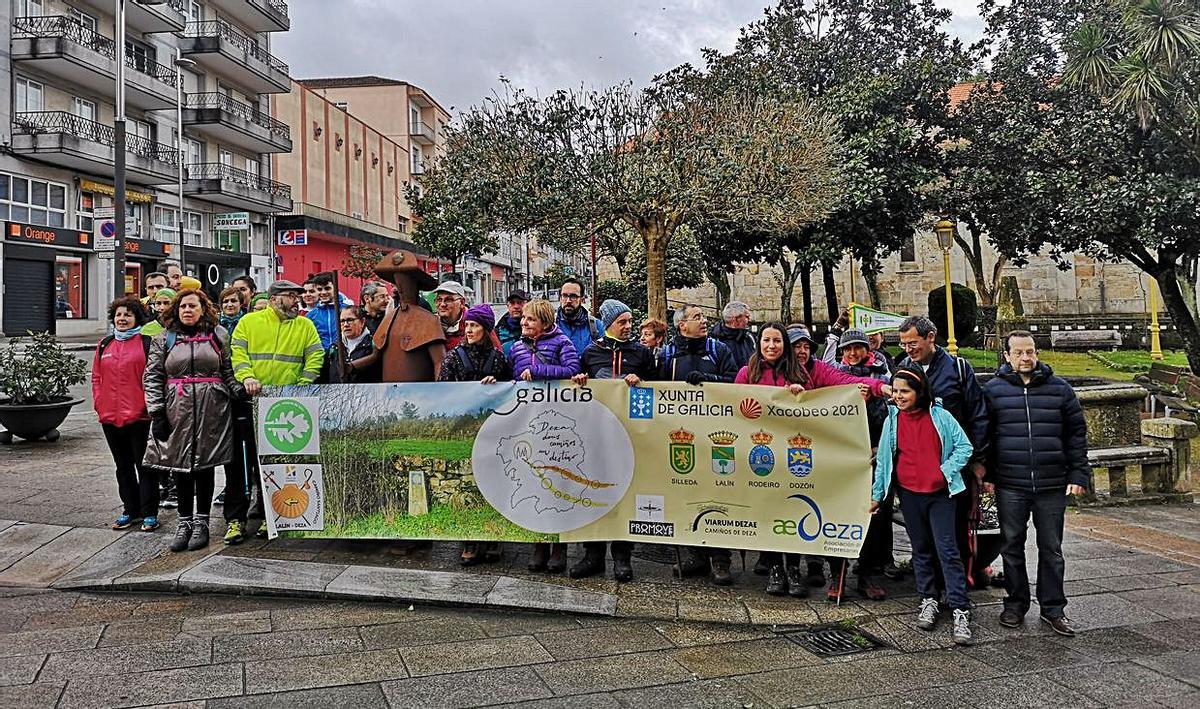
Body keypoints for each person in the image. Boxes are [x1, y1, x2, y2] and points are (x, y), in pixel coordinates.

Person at [752, 324, 892, 599]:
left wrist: (879, 387)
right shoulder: (753, 372)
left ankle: (804, 568)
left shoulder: (810, 372)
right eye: (796, 346)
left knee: (807, 507)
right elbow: (735, 403)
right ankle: (776, 568)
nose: (802, 351)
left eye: (807, 346)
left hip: (806, 454)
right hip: (765, 454)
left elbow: (846, 383)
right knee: (770, 509)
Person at [984, 330, 1089, 637]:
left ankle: (1054, 609)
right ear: (1007, 356)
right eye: (1019, 352)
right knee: (1012, 546)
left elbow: (1076, 435)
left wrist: (1078, 475)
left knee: (1052, 548)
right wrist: (989, 474)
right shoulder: (993, 390)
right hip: (1010, 483)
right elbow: (985, 436)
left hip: (1051, 483)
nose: (1026, 357)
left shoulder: (1060, 389)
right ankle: (1015, 604)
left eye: (1030, 351)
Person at [872, 366, 974, 645]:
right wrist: (878, 494)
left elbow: (964, 447)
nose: (899, 396)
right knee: (921, 549)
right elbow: (883, 459)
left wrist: (945, 471)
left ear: (919, 392)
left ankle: (959, 607)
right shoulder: (892, 421)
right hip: (909, 494)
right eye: (895, 391)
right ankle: (928, 598)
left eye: (905, 391)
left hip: (940, 495)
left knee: (948, 550)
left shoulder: (940, 416)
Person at [143, 289, 243, 553]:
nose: (188, 310)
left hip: (213, 408)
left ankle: (202, 522)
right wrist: (156, 412)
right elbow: (152, 376)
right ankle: (184, 521)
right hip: (177, 408)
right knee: (180, 466)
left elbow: (228, 371)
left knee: (205, 466)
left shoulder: (218, 335)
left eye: (193, 306)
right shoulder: (163, 339)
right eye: (183, 306)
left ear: (203, 309)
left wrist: (240, 391)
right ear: (176, 309)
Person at [896, 316, 990, 588]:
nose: (908, 349)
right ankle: (930, 588)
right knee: (922, 535)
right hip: (916, 466)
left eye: (912, 343)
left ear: (931, 337)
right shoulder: (903, 367)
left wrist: (978, 460)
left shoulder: (959, 369)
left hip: (952, 465)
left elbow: (977, 414)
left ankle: (957, 586)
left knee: (955, 531)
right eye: (903, 344)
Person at [227, 280, 324, 543]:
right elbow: (238, 353)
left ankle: (272, 517)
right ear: (273, 300)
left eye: (298, 296)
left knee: (277, 465)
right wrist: (246, 377)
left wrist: (302, 386)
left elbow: (315, 356)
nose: (297, 301)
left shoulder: (305, 325)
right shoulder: (249, 323)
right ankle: (235, 520)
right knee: (239, 465)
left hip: (284, 407)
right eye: (291, 296)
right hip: (250, 402)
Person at [569, 299, 657, 582]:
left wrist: (641, 380)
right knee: (592, 493)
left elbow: (657, 389)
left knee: (624, 495)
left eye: (630, 322)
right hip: (596, 436)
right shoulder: (591, 352)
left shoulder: (641, 353)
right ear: (608, 324)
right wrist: (579, 379)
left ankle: (622, 557)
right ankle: (592, 556)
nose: (629, 327)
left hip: (629, 436)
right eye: (623, 322)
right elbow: (580, 387)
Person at [660, 303, 739, 585]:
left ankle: (720, 558)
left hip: (718, 437)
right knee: (687, 493)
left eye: (703, 316)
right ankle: (696, 554)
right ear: (682, 326)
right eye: (696, 317)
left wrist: (709, 379)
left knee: (718, 494)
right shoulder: (667, 354)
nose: (703, 321)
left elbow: (734, 381)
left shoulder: (719, 350)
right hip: (681, 438)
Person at [508, 298, 580, 574]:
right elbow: (510, 376)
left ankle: (559, 548)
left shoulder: (562, 343)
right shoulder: (516, 347)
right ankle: (539, 544)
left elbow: (572, 370)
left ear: (545, 323)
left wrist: (538, 372)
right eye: (523, 319)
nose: (524, 323)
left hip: (557, 424)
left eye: (530, 319)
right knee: (531, 483)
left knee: (557, 483)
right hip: (527, 422)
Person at [438, 304, 513, 566]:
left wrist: (496, 385)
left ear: (486, 328)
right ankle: (469, 538)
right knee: (467, 484)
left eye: (474, 326)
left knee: (493, 482)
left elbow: (511, 392)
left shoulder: (499, 359)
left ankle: (494, 537)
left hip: (493, 430)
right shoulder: (453, 358)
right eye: (467, 325)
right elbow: (442, 392)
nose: (468, 330)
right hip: (464, 430)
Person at [93, 296, 158, 532]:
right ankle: (130, 510)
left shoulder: (147, 343)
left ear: (136, 318)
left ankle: (149, 512)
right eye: (119, 315)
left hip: (141, 417)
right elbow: (96, 378)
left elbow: (154, 379)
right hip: (110, 417)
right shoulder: (105, 344)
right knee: (122, 467)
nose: (122, 319)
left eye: (128, 315)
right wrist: (100, 404)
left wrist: (148, 406)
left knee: (145, 466)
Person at [372, 251, 447, 382]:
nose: (399, 288)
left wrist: (439, 390)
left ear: (416, 286)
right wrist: (352, 366)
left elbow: (439, 362)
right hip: (389, 395)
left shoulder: (429, 320)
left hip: (420, 395)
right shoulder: (390, 317)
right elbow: (375, 356)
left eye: (404, 283)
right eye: (397, 283)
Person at [305, 272, 353, 355]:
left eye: (327, 288)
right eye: (319, 289)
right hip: (320, 359)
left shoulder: (347, 310)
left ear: (335, 288)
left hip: (344, 357)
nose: (323, 292)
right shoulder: (311, 315)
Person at [330, 306, 382, 384]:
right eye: (342, 321)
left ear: (362, 321)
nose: (346, 324)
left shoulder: (373, 344)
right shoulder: (334, 348)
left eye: (350, 320)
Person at [555, 277, 600, 358]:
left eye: (573, 296)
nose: (568, 300)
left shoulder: (596, 326)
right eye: (564, 296)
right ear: (560, 298)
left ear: (582, 299)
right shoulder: (550, 325)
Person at [710, 301, 756, 368]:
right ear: (736, 319)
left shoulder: (749, 337)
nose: (749, 320)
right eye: (746, 317)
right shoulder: (713, 340)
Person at [496, 290, 529, 355]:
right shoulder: (499, 331)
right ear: (508, 306)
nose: (516, 307)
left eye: (519, 303)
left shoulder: (534, 328)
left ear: (527, 305)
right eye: (512, 303)